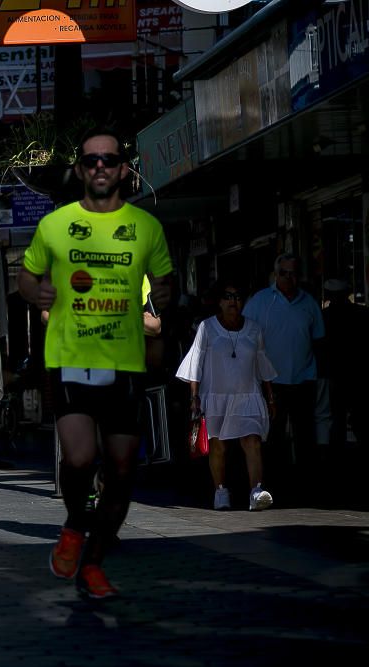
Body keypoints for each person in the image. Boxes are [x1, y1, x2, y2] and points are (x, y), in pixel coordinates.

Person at [17, 128, 173, 598]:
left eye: (109, 159)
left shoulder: (146, 227)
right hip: (70, 356)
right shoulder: (55, 225)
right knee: (81, 458)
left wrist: (163, 300)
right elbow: (26, 278)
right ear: (80, 170)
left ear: (124, 169)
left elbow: (164, 283)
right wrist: (36, 291)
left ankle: (94, 561)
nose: (100, 166)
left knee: (123, 470)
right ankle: (73, 525)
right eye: (91, 161)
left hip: (124, 360)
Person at [176, 282, 277, 511]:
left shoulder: (254, 328)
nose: (233, 301)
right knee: (218, 446)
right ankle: (220, 491)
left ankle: (256, 491)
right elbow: (196, 363)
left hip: (247, 394)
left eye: (238, 296)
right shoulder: (207, 327)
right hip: (216, 395)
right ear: (220, 302)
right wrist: (194, 397)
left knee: (252, 441)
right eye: (228, 296)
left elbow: (262, 363)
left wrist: (270, 396)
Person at [242, 253, 324, 491]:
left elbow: (319, 340)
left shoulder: (309, 303)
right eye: (284, 273)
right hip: (271, 382)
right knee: (273, 435)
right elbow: (245, 336)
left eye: (293, 273)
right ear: (275, 274)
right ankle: (275, 482)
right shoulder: (260, 301)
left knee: (304, 434)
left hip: (303, 378)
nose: (289, 278)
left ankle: (307, 483)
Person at [320, 279, 369, 451]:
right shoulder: (362, 313)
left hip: (334, 373)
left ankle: (337, 455)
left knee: (336, 417)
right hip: (359, 373)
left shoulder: (324, 317)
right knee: (360, 416)